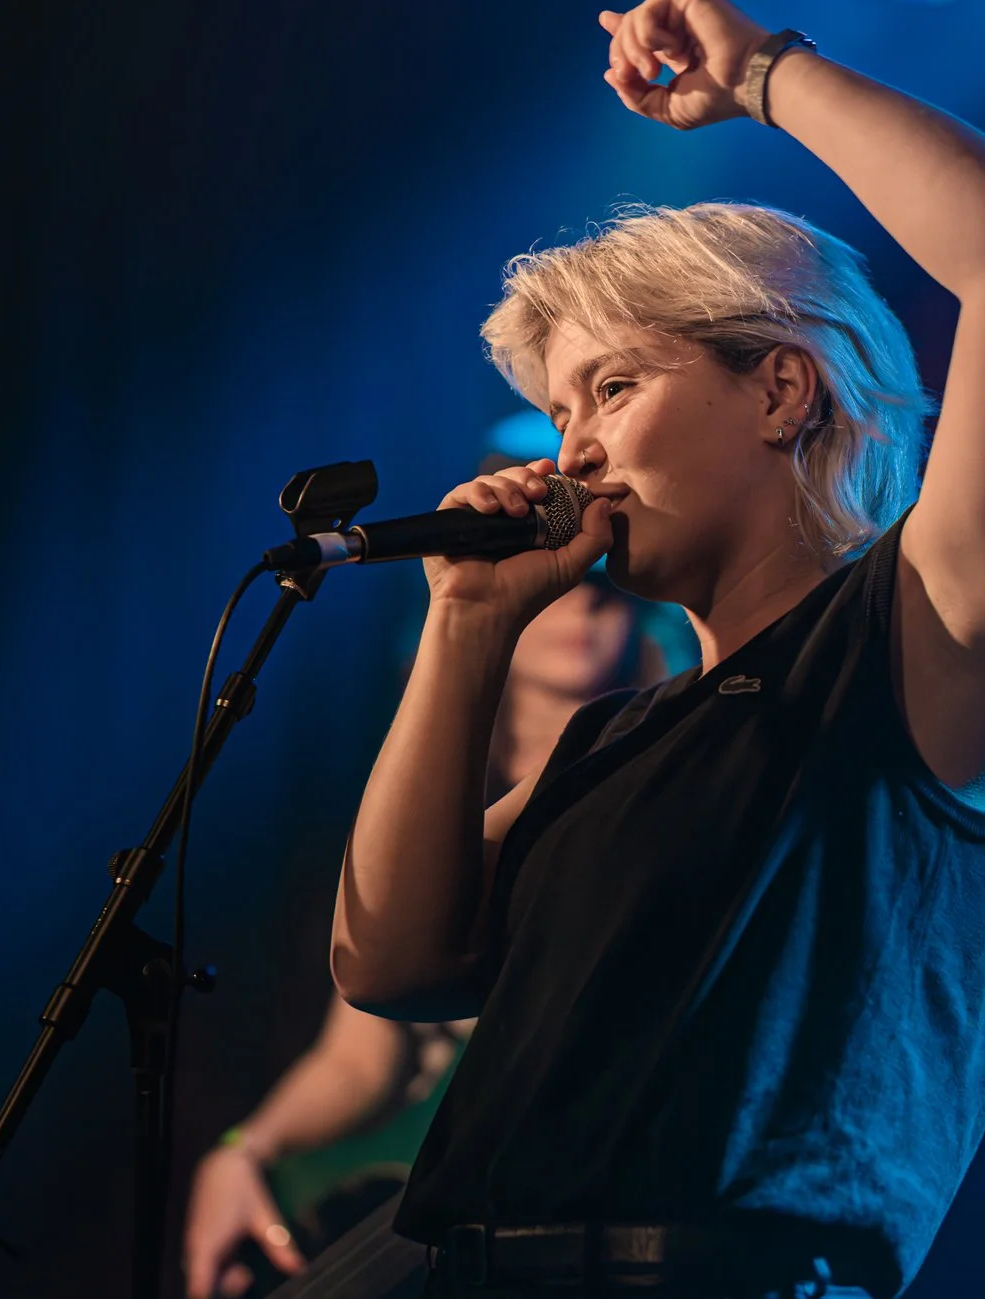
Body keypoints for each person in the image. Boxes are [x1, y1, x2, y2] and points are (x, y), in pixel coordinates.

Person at [331, 0, 985, 1298]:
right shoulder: (612, 739)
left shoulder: (916, 634)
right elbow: (392, 961)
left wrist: (759, 73)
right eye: (561, 410)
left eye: (613, 387)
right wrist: (464, 625)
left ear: (781, 389)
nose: (570, 451)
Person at [181, 506, 655, 1299]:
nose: (580, 607)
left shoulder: (651, 768)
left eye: (602, 590)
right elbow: (357, 1056)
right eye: (560, 586)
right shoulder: (420, 807)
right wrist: (242, 1148)